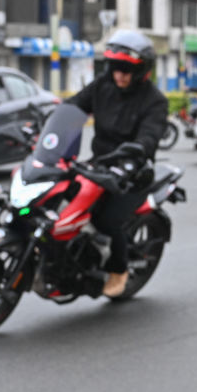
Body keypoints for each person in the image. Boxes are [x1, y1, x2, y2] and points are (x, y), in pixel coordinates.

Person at [66, 29, 168, 298]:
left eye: (126, 69)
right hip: (99, 164)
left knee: (106, 221)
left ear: (141, 71)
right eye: (115, 68)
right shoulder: (102, 85)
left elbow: (150, 136)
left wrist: (137, 150)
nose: (119, 74)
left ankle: (118, 269)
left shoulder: (155, 101)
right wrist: (48, 120)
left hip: (133, 172)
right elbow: (74, 106)